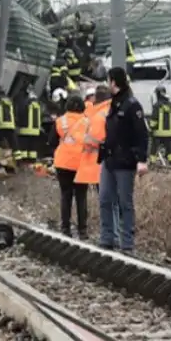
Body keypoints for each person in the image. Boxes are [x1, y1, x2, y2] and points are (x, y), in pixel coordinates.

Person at [98, 67, 149, 253]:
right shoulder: (115, 103)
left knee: (124, 203)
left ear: (113, 82)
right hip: (109, 160)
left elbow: (142, 134)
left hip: (125, 162)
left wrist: (142, 160)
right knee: (104, 199)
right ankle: (107, 239)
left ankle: (126, 243)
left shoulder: (132, 105)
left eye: (108, 80)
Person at [75, 85, 112, 236]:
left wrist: (84, 139)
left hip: (93, 162)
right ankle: (112, 233)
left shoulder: (97, 115)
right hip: (106, 162)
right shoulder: (112, 111)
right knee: (108, 198)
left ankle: (86, 230)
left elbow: (91, 139)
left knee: (84, 196)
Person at [50, 95, 87, 238]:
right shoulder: (87, 122)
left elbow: (52, 141)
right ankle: (82, 231)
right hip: (81, 163)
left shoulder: (60, 121)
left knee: (66, 195)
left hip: (63, 163)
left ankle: (65, 228)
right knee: (81, 196)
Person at [148, 86, 171, 165]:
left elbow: (154, 120)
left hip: (158, 133)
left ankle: (152, 163)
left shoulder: (156, 105)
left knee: (154, 149)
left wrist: (151, 128)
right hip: (169, 133)